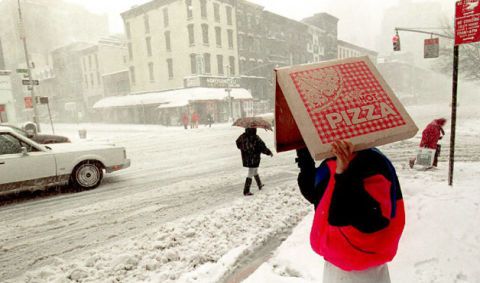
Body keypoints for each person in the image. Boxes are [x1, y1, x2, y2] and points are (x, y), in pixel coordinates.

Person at [296, 141, 405, 283]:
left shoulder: (373, 162)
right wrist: (304, 154)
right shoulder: (333, 159)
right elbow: (316, 194)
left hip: (365, 271)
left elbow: (368, 219)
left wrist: (344, 175)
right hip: (335, 265)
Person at [236, 128, 273, 196]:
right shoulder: (255, 137)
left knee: (254, 170)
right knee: (251, 172)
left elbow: (238, 143)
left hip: (246, 158)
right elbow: (262, 147)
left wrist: (245, 149)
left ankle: (259, 184)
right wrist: (268, 152)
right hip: (254, 157)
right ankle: (246, 191)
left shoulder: (242, 136)